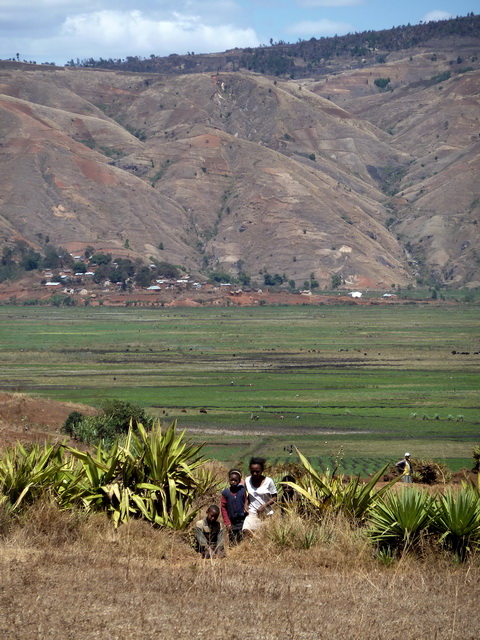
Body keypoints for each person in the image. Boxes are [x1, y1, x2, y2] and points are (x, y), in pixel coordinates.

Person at [243, 457, 277, 535]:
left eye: (257, 471)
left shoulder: (269, 481)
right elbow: (248, 495)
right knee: (246, 530)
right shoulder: (247, 480)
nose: (255, 474)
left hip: (266, 514)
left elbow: (275, 498)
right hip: (252, 512)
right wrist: (246, 504)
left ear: (262, 470)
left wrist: (264, 506)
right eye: (252, 471)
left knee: (265, 535)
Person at [221, 468, 247, 544]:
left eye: (235, 480)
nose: (233, 482)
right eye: (231, 480)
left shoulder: (243, 491)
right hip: (232, 522)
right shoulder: (226, 493)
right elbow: (223, 508)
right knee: (232, 541)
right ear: (229, 480)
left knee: (242, 540)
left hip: (242, 520)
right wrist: (227, 522)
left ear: (239, 481)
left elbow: (246, 502)